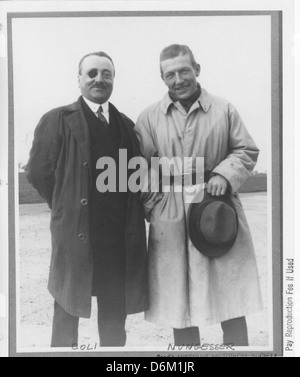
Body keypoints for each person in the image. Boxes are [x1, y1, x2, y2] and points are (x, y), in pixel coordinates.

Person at [135, 44, 263, 347]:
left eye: (184, 71)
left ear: (197, 69)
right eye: (170, 74)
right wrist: (154, 207)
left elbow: (246, 149)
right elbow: (139, 167)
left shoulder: (224, 109)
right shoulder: (149, 117)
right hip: (171, 214)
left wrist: (225, 174)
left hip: (216, 207)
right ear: (162, 77)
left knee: (229, 294)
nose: (178, 79)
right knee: (179, 300)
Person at [26, 51, 148, 348]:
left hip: (117, 240)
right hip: (75, 235)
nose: (99, 79)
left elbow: (135, 178)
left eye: (106, 73)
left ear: (114, 79)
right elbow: (38, 172)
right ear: (79, 79)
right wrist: (65, 207)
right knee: (67, 310)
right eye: (92, 73)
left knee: (113, 317)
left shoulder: (127, 125)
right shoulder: (57, 119)